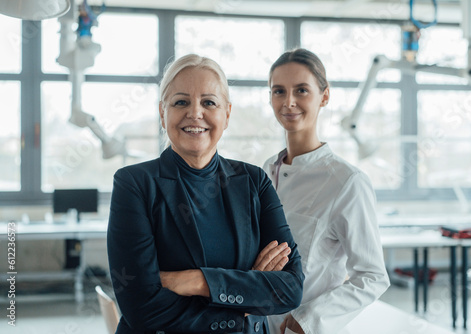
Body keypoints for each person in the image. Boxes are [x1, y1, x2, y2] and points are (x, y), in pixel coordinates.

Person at [107, 54, 304, 334]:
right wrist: (244, 301)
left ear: (227, 114)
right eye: (181, 102)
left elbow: (291, 289)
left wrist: (198, 281)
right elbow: (141, 308)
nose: (195, 113)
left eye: (209, 102)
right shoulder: (134, 184)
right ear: (163, 113)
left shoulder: (253, 181)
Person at [264, 48, 390, 334]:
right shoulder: (265, 171)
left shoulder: (347, 182)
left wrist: (308, 320)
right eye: (279, 91)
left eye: (302, 90)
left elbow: (372, 276)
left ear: (325, 96)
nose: (289, 102)